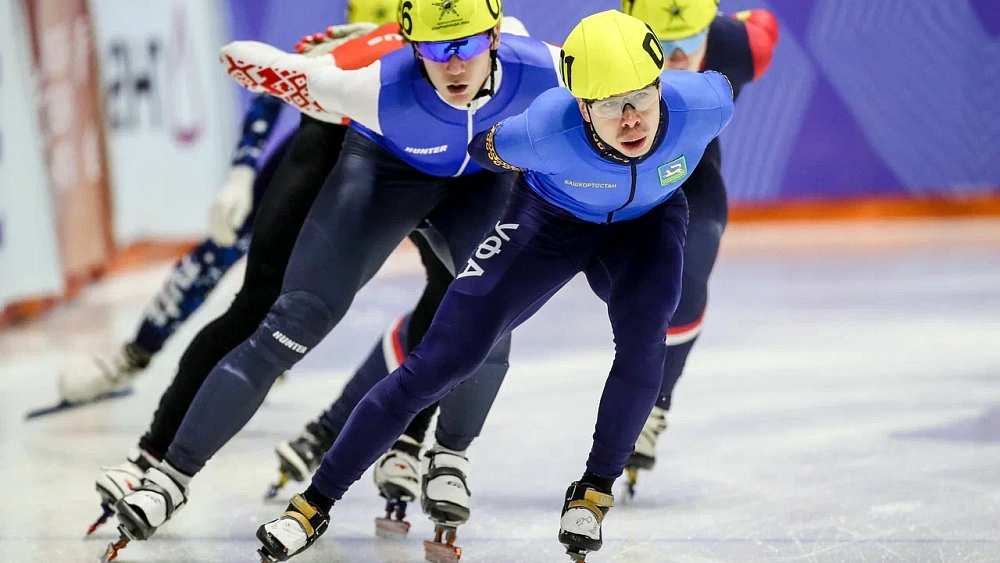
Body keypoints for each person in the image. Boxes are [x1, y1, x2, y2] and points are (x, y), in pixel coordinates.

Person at [254, 9, 735, 563]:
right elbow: (481, 149)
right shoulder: (541, 131)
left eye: (642, 99)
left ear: (660, 87)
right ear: (580, 106)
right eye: (609, 104)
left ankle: (594, 489)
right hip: (551, 224)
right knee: (440, 361)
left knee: (647, 339)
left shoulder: (704, 103)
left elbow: (720, 78)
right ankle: (313, 505)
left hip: (647, 226)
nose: (632, 120)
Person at [106, 0, 564, 556]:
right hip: (383, 175)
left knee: (492, 312)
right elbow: (262, 67)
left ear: (494, 36)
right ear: (409, 43)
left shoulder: (544, 68)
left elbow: (635, 87)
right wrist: (244, 160)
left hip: (478, 182)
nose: (454, 65)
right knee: (291, 320)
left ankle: (449, 454)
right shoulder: (369, 82)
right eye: (436, 49)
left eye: (467, 44)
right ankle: (169, 477)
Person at [85, 0, 408, 535]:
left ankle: (412, 441)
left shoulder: (470, 48)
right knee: (255, 303)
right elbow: (274, 84)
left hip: (417, 165)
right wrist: (241, 170)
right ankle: (151, 454)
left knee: (461, 301)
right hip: (331, 138)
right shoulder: (348, 39)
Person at [620, 0, 779, 495]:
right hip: (613, 184)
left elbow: (763, 26)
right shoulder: (610, 52)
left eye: (689, 39)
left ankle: (654, 404)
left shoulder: (738, 45)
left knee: (690, 275)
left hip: (693, 181)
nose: (677, 56)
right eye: (662, 46)